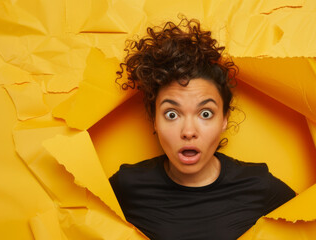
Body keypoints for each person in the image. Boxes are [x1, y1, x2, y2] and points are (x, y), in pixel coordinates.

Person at [110, 17, 295, 240]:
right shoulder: (128, 186)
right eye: (172, 114)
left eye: (205, 114)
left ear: (224, 119)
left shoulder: (258, 186)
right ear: (155, 120)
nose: (188, 131)